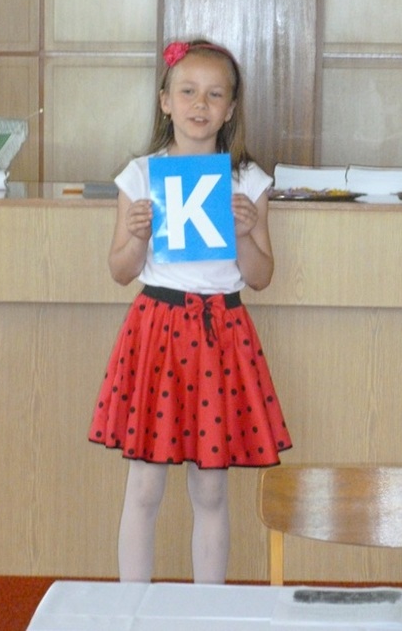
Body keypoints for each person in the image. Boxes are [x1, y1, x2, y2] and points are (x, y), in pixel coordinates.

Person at [89, 38, 292, 584]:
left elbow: (261, 276)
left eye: (214, 94)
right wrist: (137, 235)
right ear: (165, 101)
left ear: (230, 109)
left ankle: (209, 610)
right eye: (187, 92)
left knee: (211, 487)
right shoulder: (140, 176)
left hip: (220, 332)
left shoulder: (248, 180)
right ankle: (132, 607)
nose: (200, 105)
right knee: (144, 486)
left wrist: (246, 231)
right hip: (156, 329)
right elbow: (120, 270)